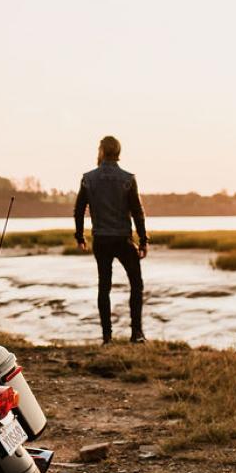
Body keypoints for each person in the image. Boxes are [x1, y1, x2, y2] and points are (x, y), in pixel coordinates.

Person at [74, 135, 149, 344]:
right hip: (123, 238)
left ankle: (107, 337)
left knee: (104, 286)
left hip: (101, 239)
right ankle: (137, 334)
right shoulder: (128, 178)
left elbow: (79, 209)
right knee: (136, 284)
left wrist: (79, 236)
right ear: (118, 152)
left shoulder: (88, 178)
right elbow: (137, 212)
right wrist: (143, 240)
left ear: (101, 151)